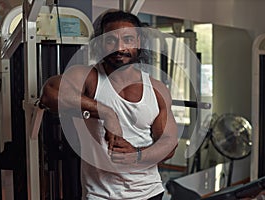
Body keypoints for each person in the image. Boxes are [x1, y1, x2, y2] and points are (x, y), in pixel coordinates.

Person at [40, 10, 178, 200]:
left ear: (138, 43)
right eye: (111, 40)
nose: (119, 47)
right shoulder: (88, 78)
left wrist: (137, 155)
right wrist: (105, 112)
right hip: (101, 195)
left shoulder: (156, 89)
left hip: (149, 193)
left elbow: (169, 145)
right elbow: (49, 93)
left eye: (128, 39)